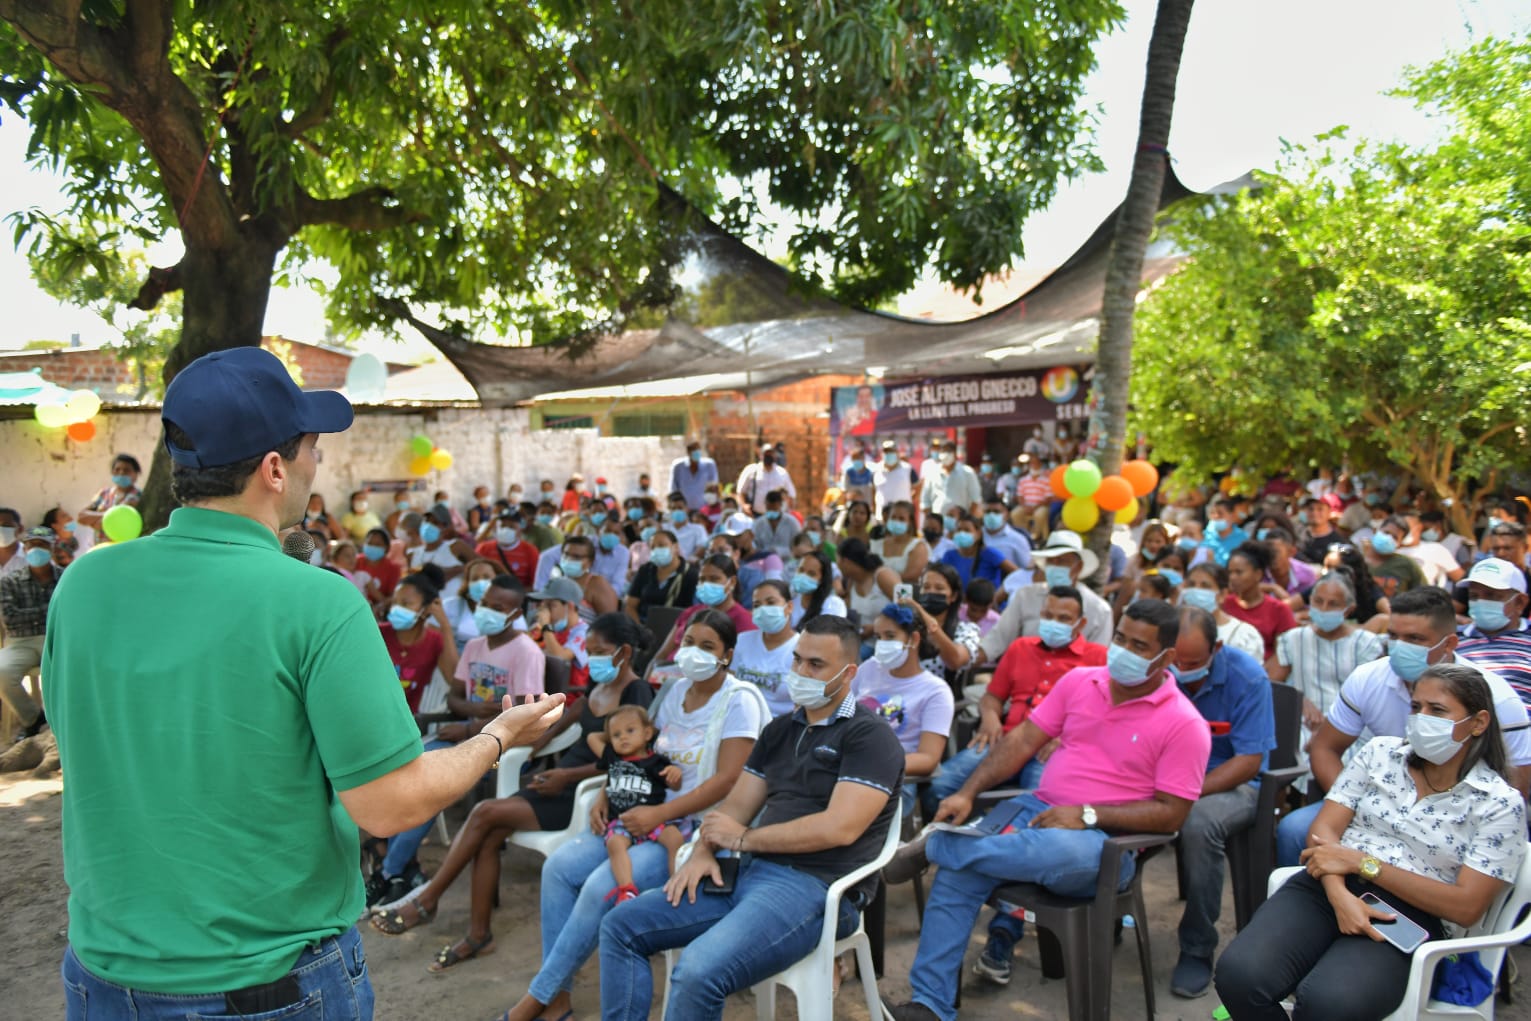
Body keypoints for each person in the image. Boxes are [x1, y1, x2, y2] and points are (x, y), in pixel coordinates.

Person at [47, 347, 564, 1018]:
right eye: (312, 448)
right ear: (273, 468)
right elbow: (390, 805)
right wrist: (496, 737)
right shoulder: (318, 600)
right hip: (262, 982)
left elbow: (88, 733)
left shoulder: (85, 582)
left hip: (102, 974)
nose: (316, 463)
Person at [885, 600, 1212, 1021]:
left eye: (1139, 646)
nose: (1124, 651)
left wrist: (1089, 814)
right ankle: (930, 1004)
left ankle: (936, 847)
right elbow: (1023, 740)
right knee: (961, 871)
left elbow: (1172, 815)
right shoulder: (1080, 681)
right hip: (1035, 810)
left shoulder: (1185, 724)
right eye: (1120, 638)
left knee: (1050, 848)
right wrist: (967, 792)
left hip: (1105, 843)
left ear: (1166, 658)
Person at [598, 615, 903, 1021]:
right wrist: (704, 849)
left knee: (698, 971)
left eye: (815, 664)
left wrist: (742, 839)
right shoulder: (780, 731)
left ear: (848, 673)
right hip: (748, 872)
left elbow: (839, 828)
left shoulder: (869, 736)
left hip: (816, 888)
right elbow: (734, 808)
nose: (800, 672)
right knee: (621, 926)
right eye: (797, 660)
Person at [1216, 665, 1527, 1021]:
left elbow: (1466, 906)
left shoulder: (1497, 803)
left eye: (1437, 710)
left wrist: (1364, 864)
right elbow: (1323, 830)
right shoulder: (1381, 754)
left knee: (1329, 1004)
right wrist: (1340, 895)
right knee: (1239, 977)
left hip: (1409, 915)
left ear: (1478, 722)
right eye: (1416, 707)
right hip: (1326, 885)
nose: (1421, 718)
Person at [504, 611, 768, 1021]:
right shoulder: (674, 692)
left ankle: (538, 996)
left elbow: (729, 779)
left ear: (727, 655)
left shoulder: (740, 701)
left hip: (690, 828)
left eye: (707, 646)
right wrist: (605, 792)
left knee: (600, 885)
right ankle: (557, 997)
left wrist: (659, 813)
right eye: (689, 643)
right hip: (634, 812)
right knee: (558, 868)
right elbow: (636, 755)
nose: (693, 653)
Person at [372, 611, 643, 963]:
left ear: (624, 652)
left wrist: (565, 777)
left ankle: (427, 900)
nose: (591, 659)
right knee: (489, 833)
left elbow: (631, 759)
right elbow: (570, 716)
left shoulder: (635, 692)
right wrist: (529, 745)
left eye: (600, 652)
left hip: (583, 792)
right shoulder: (599, 686)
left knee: (484, 813)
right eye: (589, 651)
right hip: (555, 783)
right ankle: (478, 935)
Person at [1276, 586, 1531, 867]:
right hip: (1371, 797)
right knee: (1294, 830)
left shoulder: (1498, 699)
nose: (1400, 647)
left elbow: (1516, 782)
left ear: (1449, 644)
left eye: (1414, 639)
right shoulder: (1368, 679)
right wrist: (1349, 801)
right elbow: (1324, 748)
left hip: (1456, 815)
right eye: (1394, 636)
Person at [923, 583, 1106, 831]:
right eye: (1048, 616)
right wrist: (990, 718)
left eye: (1064, 619)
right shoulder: (1021, 648)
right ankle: (947, 837)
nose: (1054, 623)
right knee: (939, 786)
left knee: (1040, 812)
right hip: (1005, 741)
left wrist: (1067, 736)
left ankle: (994, 843)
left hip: (1052, 751)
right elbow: (992, 696)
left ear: (1080, 623)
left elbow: (1102, 716)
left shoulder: (1098, 658)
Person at [1167, 608, 1276, 998]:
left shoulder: (1248, 678)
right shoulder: (1159, 669)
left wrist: (1186, 793)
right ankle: (1109, 916)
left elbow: (1248, 762)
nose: (1181, 670)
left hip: (1235, 785)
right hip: (1169, 778)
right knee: (1107, 802)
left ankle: (1197, 947)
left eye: (1192, 662)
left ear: (1216, 648)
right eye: (1175, 660)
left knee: (1198, 824)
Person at [1268, 572, 1386, 787]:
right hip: (1302, 724)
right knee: (1292, 749)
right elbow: (1271, 686)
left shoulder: (1366, 644)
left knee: (1343, 754)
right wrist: (1298, 701)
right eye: (1318, 601)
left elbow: (1373, 697)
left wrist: (1331, 727)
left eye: (1333, 604)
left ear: (1348, 609)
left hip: (1350, 727)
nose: (1323, 609)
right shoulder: (1294, 639)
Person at [853, 603, 954, 812]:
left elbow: (928, 758)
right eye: (879, 637)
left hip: (895, 781)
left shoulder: (936, 692)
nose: (882, 644)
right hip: (848, 768)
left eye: (890, 636)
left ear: (914, 639)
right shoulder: (869, 669)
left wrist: (874, 766)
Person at [589, 705, 687, 902]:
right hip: (621, 821)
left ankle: (676, 883)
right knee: (614, 844)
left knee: (675, 838)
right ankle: (626, 889)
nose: (623, 738)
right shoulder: (613, 757)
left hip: (653, 819)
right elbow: (592, 737)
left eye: (630, 730)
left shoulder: (657, 762)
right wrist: (613, 732)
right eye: (617, 735)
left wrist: (676, 775)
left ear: (647, 733)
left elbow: (675, 786)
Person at [979, 531, 1112, 661]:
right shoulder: (1025, 596)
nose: (1055, 566)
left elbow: (1098, 660)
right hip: (1027, 669)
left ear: (1078, 567)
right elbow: (998, 638)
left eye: (1062, 561)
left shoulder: (1099, 610)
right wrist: (973, 656)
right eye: (1050, 561)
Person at [0, 527, 63, 741]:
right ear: (25, 549)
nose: (36, 549)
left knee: (80, 668)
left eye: (42, 545)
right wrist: (49, 611)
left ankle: (66, 719)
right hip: (21, 642)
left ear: (52, 548)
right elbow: (10, 618)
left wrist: (31, 614)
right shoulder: (10, 581)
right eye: (32, 545)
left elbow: (71, 612)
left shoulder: (65, 577)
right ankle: (34, 719)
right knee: (2, 672)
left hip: (57, 639)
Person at [653, 554, 756, 663]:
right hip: (669, 670)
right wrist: (650, 672)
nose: (706, 584)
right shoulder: (691, 612)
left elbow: (740, 664)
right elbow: (662, 654)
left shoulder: (744, 621)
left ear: (732, 582)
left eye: (714, 579)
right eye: (702, 579)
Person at [1456, 557, 1531, 706]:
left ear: (1520, 602)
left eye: (1491, 595)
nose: (1480, 602)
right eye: (1474, 596)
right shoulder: (1453, 639)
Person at [903, 563, 981, 684]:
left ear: (953, 596)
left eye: (939, 588)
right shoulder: (907, 625)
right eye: (926, 587)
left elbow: (955, 661)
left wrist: (929, 622)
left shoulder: (967, 630)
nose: (931, 592)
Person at [731, 580, 800, 716]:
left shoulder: (801, 647)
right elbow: (731, 683)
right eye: (757, 605)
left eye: (771, 602)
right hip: (739, 716)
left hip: (780, 723)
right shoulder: (742, 640)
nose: (763, 610)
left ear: (789, 607)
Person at [1222, 541, 1298, 660]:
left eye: (1239, 572)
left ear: (1258, 574)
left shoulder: (1279, 610)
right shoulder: (1223, 605)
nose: (1232, 578)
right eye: (1230, 572)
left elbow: (1284, 657)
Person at [1179, 562, 1266, 662]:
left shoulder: (1242, 635)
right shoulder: (1175, 627)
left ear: (1223, 594)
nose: (1196, 590)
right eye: (1191, 585)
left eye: (1205, 586)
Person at [624, 528, 698, 624]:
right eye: (652, 547)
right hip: (642, 624)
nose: (656, 550)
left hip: (675, 627)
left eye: (661, 546)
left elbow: (692, 612)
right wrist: (639, 629)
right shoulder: (645, 570)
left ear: (676, 547)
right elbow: (630, 605)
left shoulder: (690, 574)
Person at [838, 537, 900, 645]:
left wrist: (875, 627)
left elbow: (908, 605)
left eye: (838, 560)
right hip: (864, 643)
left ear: (846, 561)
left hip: (890, 643)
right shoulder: (851, 583)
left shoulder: (883, 576)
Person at [942, 516, 1018, 591]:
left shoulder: (990, 554)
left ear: (978, 534)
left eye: (967, 530)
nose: (961, 533)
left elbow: (1018, 574)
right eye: (958, 530)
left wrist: (1001, 593)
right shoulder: (949, 556)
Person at [75, 452, 142, 535]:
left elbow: (117, 522)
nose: (121, 473)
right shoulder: (104, 493)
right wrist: (109, 516)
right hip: (101, 542)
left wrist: (93, 518)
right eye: (117, 469)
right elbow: (81, 517)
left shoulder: (137, 496)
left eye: (126, 470)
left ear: (136, 474)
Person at [471, 510, 539, 588]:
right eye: (503, 526)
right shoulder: (484, 548)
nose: (506, 530)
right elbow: (474, 576)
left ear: (520, 529)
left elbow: (535, 584)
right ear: (496, 528)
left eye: (511, 527)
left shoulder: (530, 551)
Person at [920, 438, 982, 522]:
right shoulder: (932, 473)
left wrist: (967, 520)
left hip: (960, 522)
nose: (945, 454)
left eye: (948, 451)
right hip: (938, 522)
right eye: (943, 451)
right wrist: (931, 520)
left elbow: (976, 499)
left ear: (955, 454)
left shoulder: (967, 472)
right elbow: (925, 501)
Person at [872, 500, 930, 585]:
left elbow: (912, 576)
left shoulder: (918, 546)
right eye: (893, 517)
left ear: (910, 522)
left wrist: (883, 580)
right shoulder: (877, 544)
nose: (896, 521)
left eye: (901, 519)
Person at [1368, 515, 1427, 597]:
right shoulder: (1356, 560)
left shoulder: (1407, 564)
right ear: (1376, 531)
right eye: (1386, 533)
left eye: (1394, 537)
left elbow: (1425, 594)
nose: (1388, 538)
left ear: (1399, 544)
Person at [737, 443, 797, 515]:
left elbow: (791, 494)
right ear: (761, 455)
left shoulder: (782, 473)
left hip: (776, 516)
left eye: (771, 454)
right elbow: (740, 492)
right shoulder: (751, 470)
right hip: (755, 515)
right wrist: (744, 506)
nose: (768, 456)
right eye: (766, 454)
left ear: (775, 456)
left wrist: (788, 512)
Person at [978, 498, 1031, 569]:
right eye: (987, 512)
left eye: (996, 512)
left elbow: (1027, 569)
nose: (991, 515)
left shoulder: (1018, 539)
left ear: (1007, 515)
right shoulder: (977, 536)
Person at [1296, 494, 1347, 564]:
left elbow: (1348, 556)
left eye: (1320, 509)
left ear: (1329, 512)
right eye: (1311, 509)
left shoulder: (1338, 542)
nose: (1315, 513)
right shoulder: (1297, 534)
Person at [874, 439, 920, 516]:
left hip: (902, 516)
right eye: (886, 451)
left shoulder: (907, 468)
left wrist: (908, 501)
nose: (889, 454)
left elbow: (917, 487)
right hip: (881, 515)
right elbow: (873, 490)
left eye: (891, 451)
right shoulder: (876, 469)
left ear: (897, 453)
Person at [670, 440, 719, 510]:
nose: (696, 452)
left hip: (704, 509)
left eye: (698, 449)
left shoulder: (709, 465)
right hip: (685, 509)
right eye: (693, 449)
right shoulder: (678, 467)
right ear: (688, 452)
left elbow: (714, 487)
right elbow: (674, 489)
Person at [751, 488, 801, 558]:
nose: (771, 512)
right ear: (765, 505)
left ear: (781, 505)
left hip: (787, 562)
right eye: (769, 509)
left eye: (774, 509)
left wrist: (779, 551)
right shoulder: (758, 524)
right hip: (764, 561)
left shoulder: (792, 523)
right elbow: (754, 544)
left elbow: (799, 545)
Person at [357, 527, 401, 600]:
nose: (373, 547)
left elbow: (392, 596)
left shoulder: (393, 568)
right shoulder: (356, 561)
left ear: (386, 548)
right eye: (369, 543)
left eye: (377, 544)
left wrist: (382, 604)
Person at [664, 492, 710, 559]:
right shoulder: (665, 529)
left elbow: (702, 547)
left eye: (680, 508)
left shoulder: (698, 529)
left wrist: (689, 560)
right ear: (670, 511)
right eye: (673, 508)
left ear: (687, 509)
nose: (677, 511)